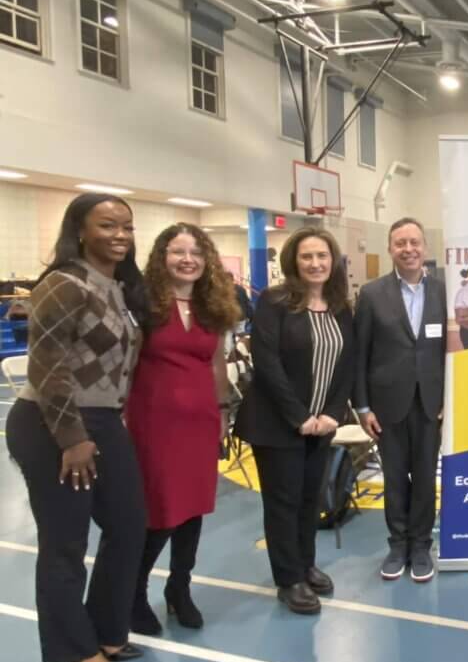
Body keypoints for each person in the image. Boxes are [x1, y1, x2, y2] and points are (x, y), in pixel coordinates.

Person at [5, 193, 148, 662]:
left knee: (130, 526)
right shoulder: (63, 285)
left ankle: (109, 628)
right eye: (108, 225)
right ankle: (75, 648)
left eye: (127, 226)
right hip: (52, 425)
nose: (121, 235)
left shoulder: (119, 287)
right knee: (66, 541)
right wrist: (71, 438)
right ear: (80, 230)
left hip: (104, 421)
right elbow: (48, 367)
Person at [234, 227, 356, 615]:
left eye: (322, 256)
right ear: (294, 261)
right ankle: (288, 579)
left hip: (321, 424)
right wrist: (300, 417)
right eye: (307, 256)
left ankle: (305, 563)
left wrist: (332, 414)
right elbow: (267, 363)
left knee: (309, 499)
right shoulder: (275, 302)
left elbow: (346, 365)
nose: (316, 263)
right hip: (279, 424)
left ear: (333, 261)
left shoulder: (340, 305)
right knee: (283, 502)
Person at [126, 224, 240, 635]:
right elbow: (127, 363)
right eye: (178, 251)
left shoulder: (212, 307)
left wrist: (223, 411)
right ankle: (134, 593)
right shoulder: (143, 303)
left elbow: (215, 364)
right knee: (160, 511)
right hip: (153, 423)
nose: (188, 259)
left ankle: (179, 587)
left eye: (196, 251)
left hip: (201, 421)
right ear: (162, 256)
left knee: (194, 508)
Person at [355, 218, 447, 583]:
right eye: (400, 243)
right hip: (387, 405)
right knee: (394, 479)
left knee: (425, 477)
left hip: (431, 405)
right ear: (390, 249)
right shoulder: (371, 294)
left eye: (414, 242)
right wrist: (362, 407)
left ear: (424, 246)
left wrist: (450, 400)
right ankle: (397, 545)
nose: (408, 249)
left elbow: (452, 353)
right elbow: (359, 355)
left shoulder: (444, 292)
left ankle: (421, 545)